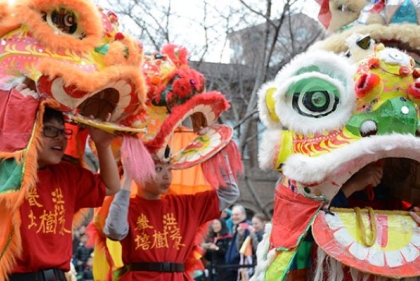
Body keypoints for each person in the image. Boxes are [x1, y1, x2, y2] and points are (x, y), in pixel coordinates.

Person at [8, 104, 120, 281]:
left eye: (62, 131)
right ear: (28, 130)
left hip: (58, 276)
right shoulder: (7, 175)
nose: (59, 137)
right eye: (50, 130)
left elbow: (111, 186)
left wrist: (102, 145)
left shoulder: (67, 174)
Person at [103, 149, 240, 280]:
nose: (167, 175)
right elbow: (115, 231)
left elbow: (230, 193)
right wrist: (127, 178)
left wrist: (214, 148)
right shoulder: (126, 207)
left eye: (169, 169)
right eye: (158, 169)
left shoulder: (186, 205)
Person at [224, 204, 252, 281]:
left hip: (240, 267)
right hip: (232, 267)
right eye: (232, 215)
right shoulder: (236, 226)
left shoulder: (246, 225)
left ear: (244, 215)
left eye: (237, 214)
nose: (234, 217)